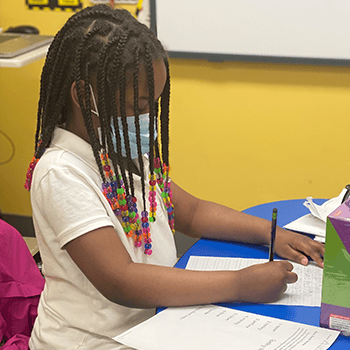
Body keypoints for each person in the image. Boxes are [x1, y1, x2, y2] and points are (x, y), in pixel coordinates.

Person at [25, 5, 325, 350]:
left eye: (154, 104)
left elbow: (191, 212)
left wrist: (271, 234)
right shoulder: (60, 173)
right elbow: (120, 279)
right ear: (83, 96)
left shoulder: (118, 151)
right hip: (93, 342)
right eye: (138, 106)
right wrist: (239, 284)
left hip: (155, 323)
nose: (149, 117)